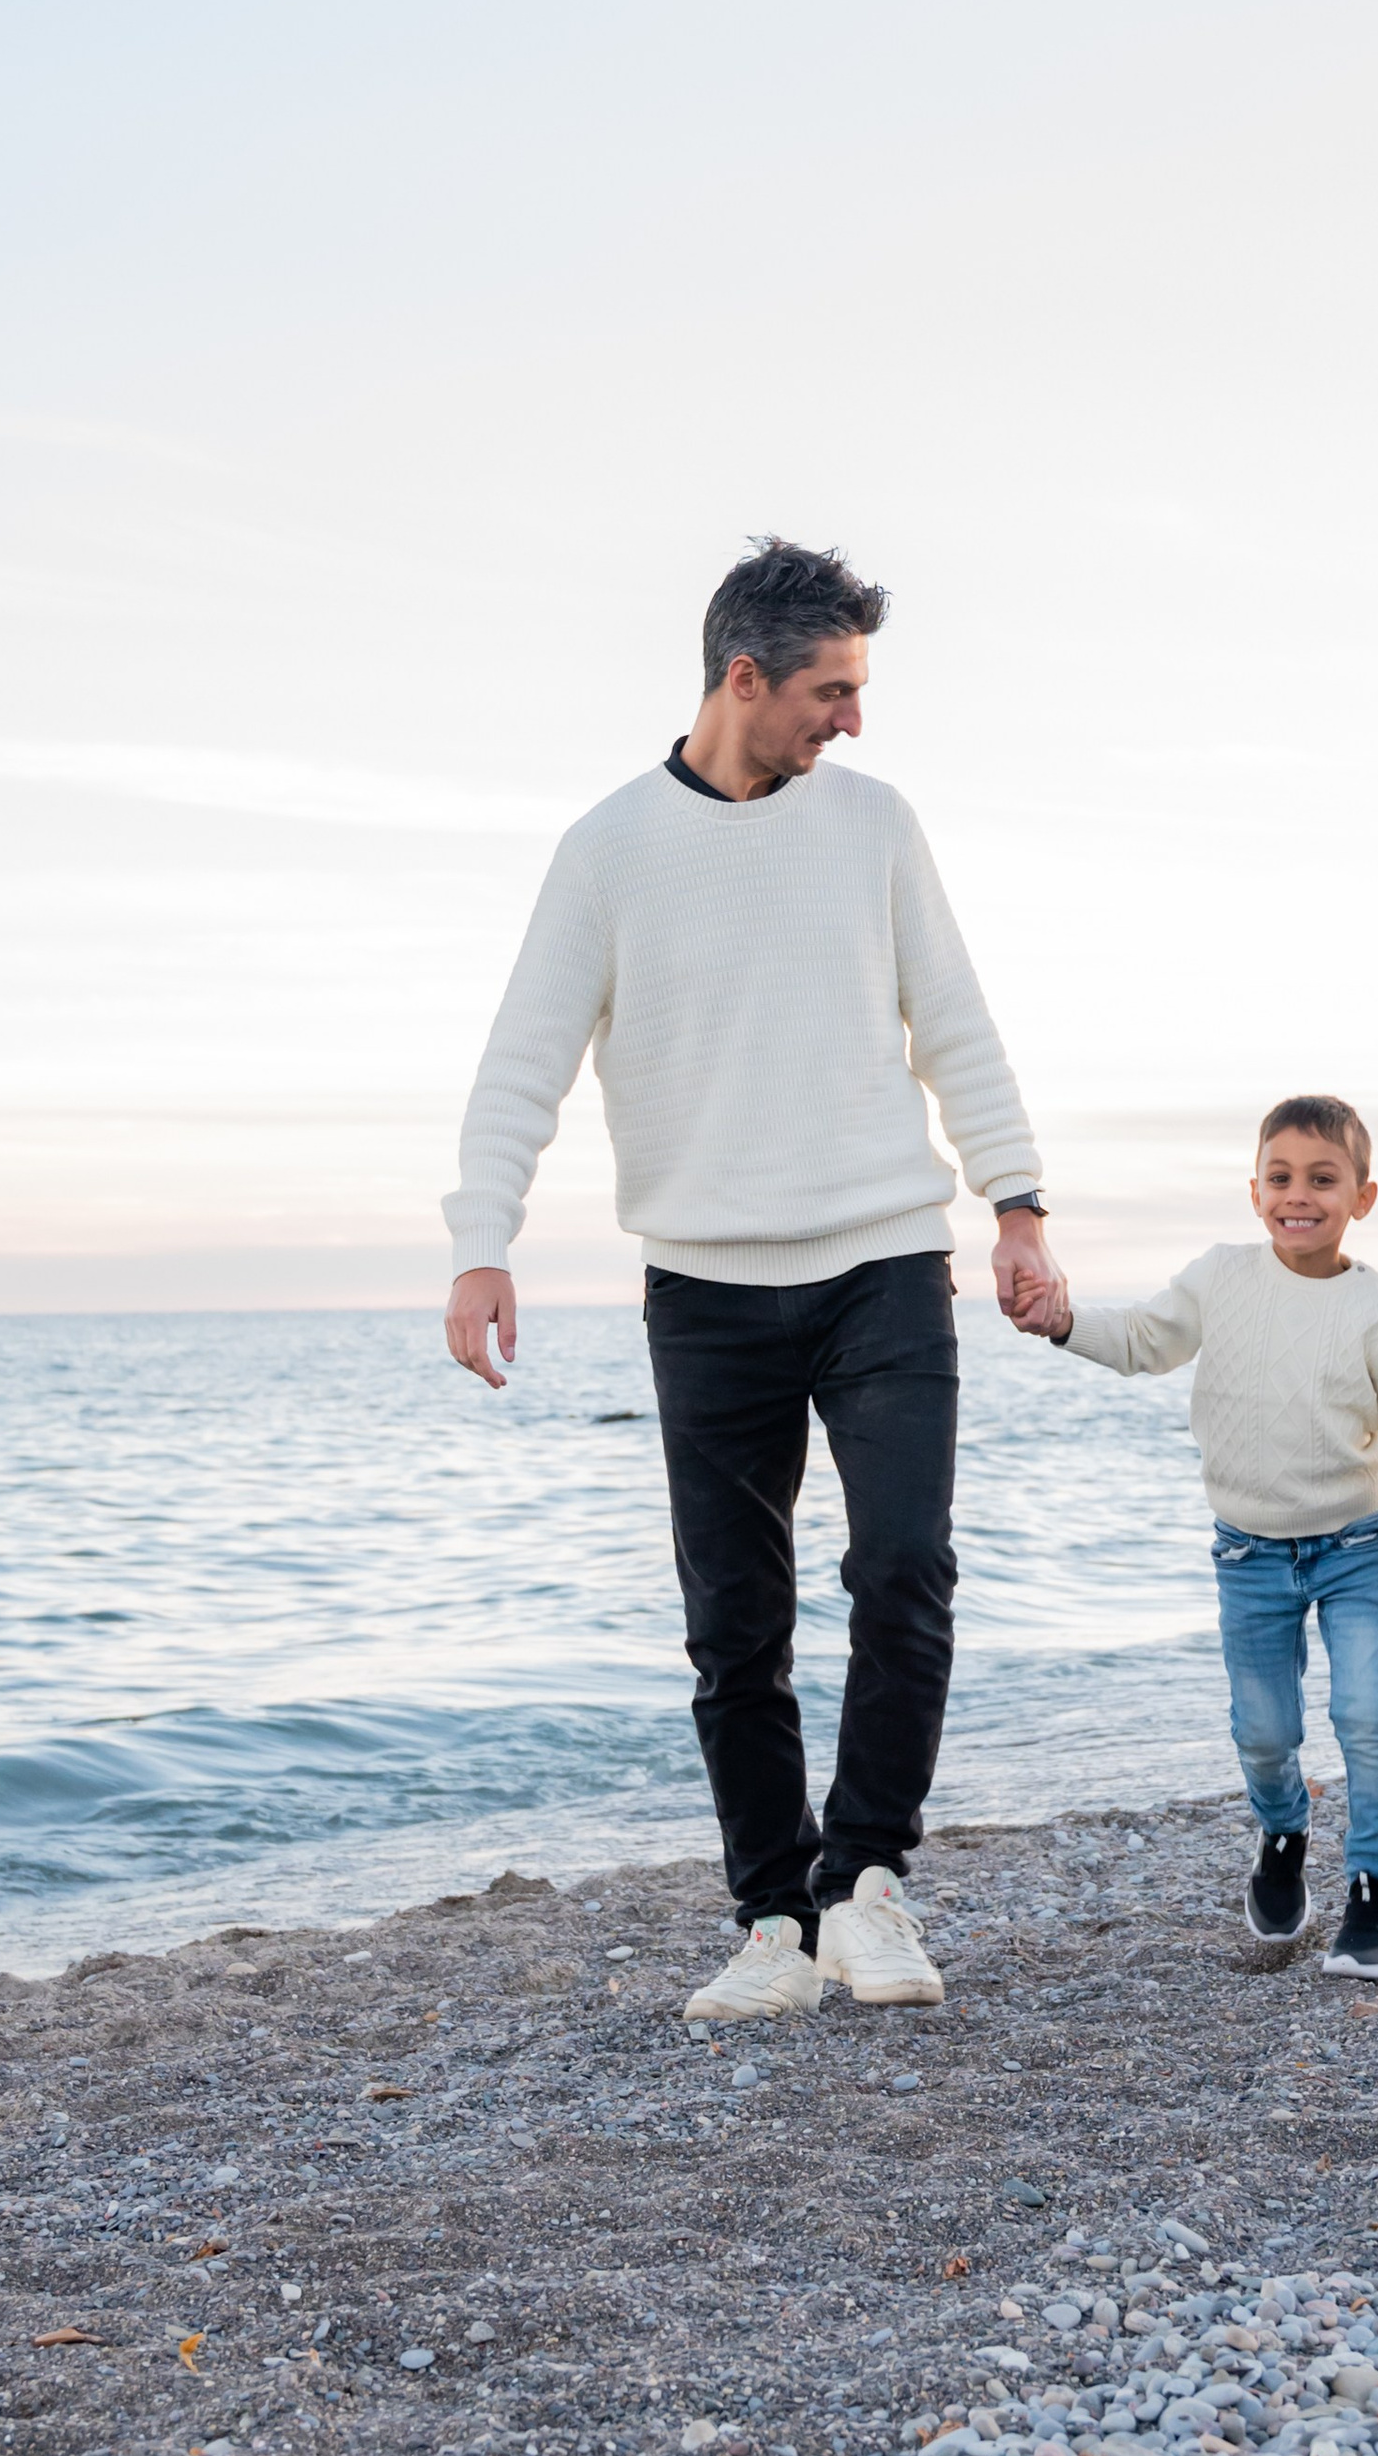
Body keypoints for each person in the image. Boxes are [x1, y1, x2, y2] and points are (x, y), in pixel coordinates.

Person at [442, 537, 1063, 2028]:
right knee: (737, 1621)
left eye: (857, 688)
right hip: (706, 1287)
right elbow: (524, 1055)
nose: (851, 718)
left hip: (885, 1261)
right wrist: (482, 1237)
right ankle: (774, 1918)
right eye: (831, 690)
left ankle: (870, 1885)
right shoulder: (607, 849)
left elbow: (956, 1024)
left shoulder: (876, 824)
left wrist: (1020, 1206)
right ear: (743, 676)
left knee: (904, 1568)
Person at [1014, 1099, 1378, 1980]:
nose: (1298, 1195)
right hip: (1249, 1554)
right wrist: (1062, 1319)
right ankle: (1283, 1829)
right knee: (1265, 1733)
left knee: (1366, 1719)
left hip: (1355, 1547)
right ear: (1255, 1190)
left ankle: (1373, 1895)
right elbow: (1145, 1340)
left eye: (1322, 1178)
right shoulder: (1221, 1277)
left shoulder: (1374, 1305)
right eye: (1281, 1178)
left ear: (1363, 1196)